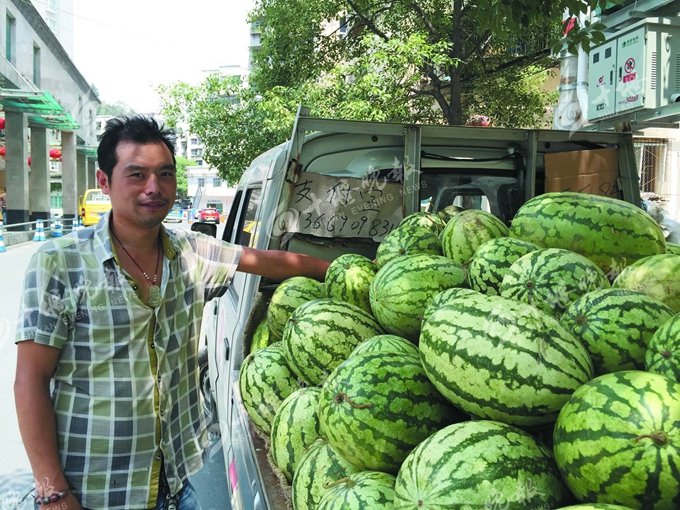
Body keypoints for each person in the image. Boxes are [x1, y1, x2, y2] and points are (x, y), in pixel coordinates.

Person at [14, 116, 331, 510]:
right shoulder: (59, 264)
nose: (154, 187)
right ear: (104, 181)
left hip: (176, 484)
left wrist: (341, 270)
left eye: (165, 174)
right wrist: (51, 491)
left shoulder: (190, 252)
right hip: (94, 492)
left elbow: (268, 261)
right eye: (137, 174)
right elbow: (30, 380)